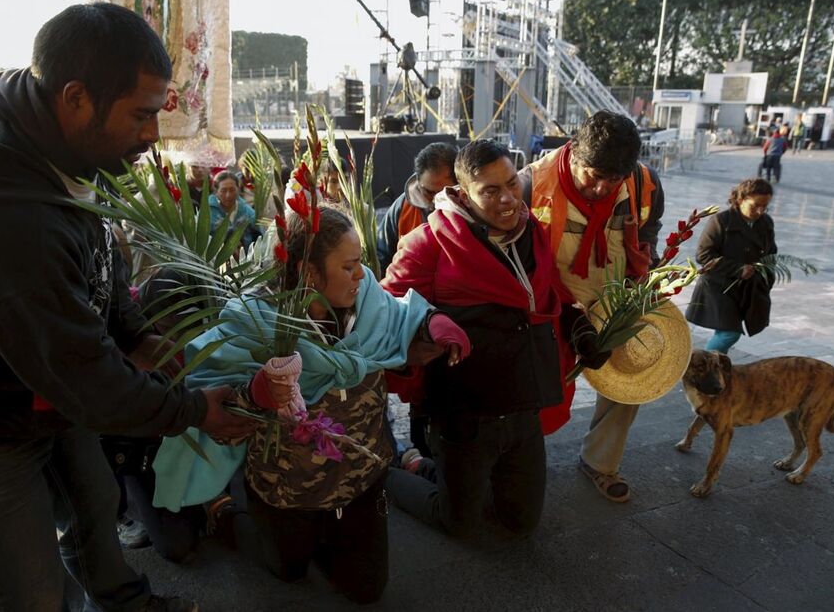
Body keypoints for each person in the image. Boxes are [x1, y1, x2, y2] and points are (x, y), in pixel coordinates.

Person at [0, 3, 254, 611]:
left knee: (94, 508)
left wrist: (136, 334)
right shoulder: (5, 221)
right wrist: (194, 410)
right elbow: (85, 377)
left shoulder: (68, 154)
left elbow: (98, 267)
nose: (152, 136)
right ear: (77, 98)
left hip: (51, 397)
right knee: (29, 588)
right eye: (140, 114)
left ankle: (123, 599)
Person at [152, 206, 469, 603]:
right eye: (349, 266)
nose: (362, 275)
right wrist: (255, 393)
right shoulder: (254, 322)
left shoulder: (368, 300)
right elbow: (213, 406)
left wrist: (431, 322)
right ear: (309, 272)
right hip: (285, 490)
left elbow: (402, 315)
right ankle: (224, 512)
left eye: (360, 264)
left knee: (365, 590)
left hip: (358, 484)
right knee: (287, 572)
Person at [382, 139, 567, 538]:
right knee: (460, 524)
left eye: (512, 184)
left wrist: (581, 328)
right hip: (465, 414)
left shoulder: (532, 229)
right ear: (464, 195)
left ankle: (436, 472)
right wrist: (427, 328)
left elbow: (551, 292)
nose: (508, 199)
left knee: (520, 524)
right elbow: (387, 311)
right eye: (491, 190)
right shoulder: (427, 243)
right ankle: (390, 473)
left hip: (522, 408)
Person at [520, 110, 665, 503]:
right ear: (574, 152)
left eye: (612, 179)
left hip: (615, 302)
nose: (601, 188)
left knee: (628, 385)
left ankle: (601, 462)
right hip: (554, 307)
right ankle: (519, 466)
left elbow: (649, 228)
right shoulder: (531, 183)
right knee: (537, 393)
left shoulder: (645, 182)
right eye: (593, 176)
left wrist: (645, 270)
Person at [686, 179, 777, 354]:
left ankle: (717, 371)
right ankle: (702, 367)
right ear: (741, 199)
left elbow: (770, 254)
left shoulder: (766, 223)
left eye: (765, 207)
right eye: (755, 205)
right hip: (718, 286)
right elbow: (703, 255)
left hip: (745, 288)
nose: (760, 211)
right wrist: (738, 269)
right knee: (729, 334)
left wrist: (766, 276)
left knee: (724, 330)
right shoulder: (721, 221)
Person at [376, 141, 458, 274]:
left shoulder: (472, 209)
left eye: (442, 193)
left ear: (458, 185)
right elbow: (381, 256)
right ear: (418, 183)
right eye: (428, 192)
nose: (436, 200)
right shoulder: (402, 207)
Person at [208, 170, 261, 247]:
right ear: (216, 191)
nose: (228, 195)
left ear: (238, 189)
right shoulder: (207, 213)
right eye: (223, 190)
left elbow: (259, 238)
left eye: (232, 190)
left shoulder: (248, 212)